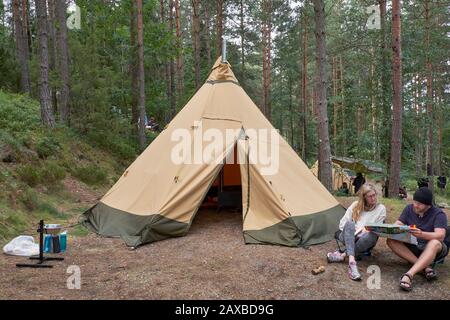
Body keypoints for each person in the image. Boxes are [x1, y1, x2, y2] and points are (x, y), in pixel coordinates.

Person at [386, 187, 448, 291]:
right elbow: (398, 224)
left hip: (432, 248)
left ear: (428, 205)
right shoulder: (409, 209)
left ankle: (409, 275)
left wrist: (422, 234)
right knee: (391, 240)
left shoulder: (439, 214)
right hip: (414, 244)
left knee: (434, 243)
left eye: (419, 203)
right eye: (415, 201)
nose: (415, 205)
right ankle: (424, 268)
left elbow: (440, 235)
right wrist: (390, 230)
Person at [326, 183, 386, 281]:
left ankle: (344, 256)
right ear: (364, 198)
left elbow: (378, 228)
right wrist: (354, 232)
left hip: (365, 239)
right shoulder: (355, 205)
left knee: (372, 234)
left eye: (374, 195)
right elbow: (342, 224)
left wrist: (364, 231)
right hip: (348, 236)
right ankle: (352, 261)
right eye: (370, 196)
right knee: (350, 224)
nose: (373, 198)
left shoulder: (381, 208)